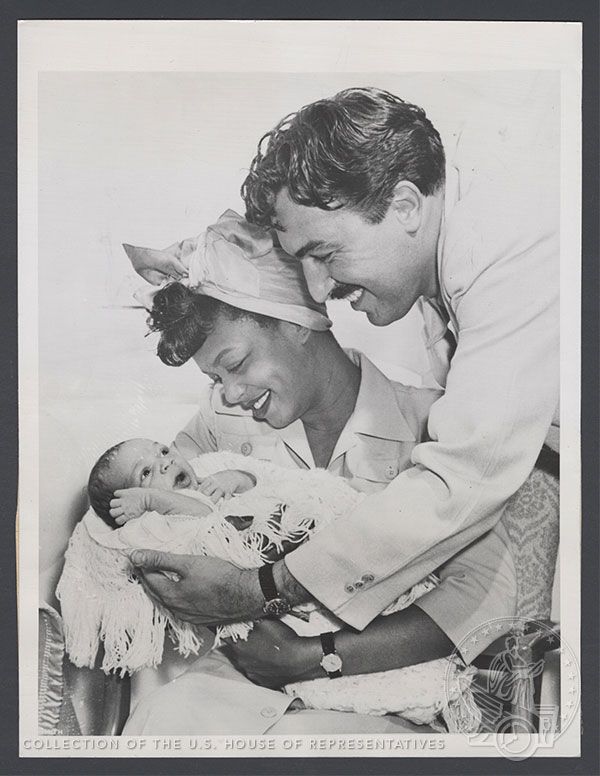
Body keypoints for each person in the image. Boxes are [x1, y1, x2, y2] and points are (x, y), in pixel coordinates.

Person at [125, 88, 558, 665]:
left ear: (405, 205)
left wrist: (261, 592)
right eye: (300, 262)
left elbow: (464, 481)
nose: (319, 289)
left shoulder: (510, 257)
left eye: (325, 254)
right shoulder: (432, 268)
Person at [116, 211, 517, 734]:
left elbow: (484, 594)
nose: (230, 393)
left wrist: (313, 656)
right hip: (239, 685)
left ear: (296, 324)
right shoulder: (220, 428)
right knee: (158, 724)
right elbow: (156, 521)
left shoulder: (433, 422)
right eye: (215, 378)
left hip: (385, 693)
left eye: (236, 365)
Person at [87, 437, 257, 527]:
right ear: (132, 509)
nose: (166, 462)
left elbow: (261, 485)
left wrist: (235, 477)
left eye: (163, 451)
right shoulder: (159, 524)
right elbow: (207, 518)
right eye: (145, 472)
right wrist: (150, 499)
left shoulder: (204, 479)